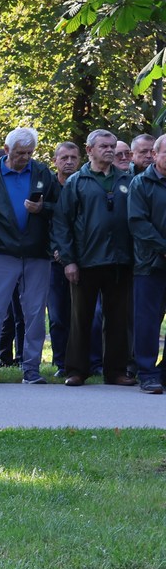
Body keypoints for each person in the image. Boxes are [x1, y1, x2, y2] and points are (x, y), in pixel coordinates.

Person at [0, 127, 57, 385]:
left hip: (36, 253)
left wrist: (42, 208)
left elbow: (59, 208)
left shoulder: (41, 173)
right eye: (19, 153)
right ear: (6, 150)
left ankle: (31, 369)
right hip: (0, 251)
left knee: (35, 313)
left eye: (29, 153)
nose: (25, 158)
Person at [51, 129, 137, 387]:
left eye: (112, 146)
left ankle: (116, 371)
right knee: (80, 319)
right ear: (89, 150)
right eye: (104, 146)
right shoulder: (77, 181)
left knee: (118, 320)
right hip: (85, 261)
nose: (110, 150)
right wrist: (69, 261)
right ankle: (76, 370)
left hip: (121, 261)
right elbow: (62, 224)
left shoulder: (128, 179)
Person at [128, 134, 166, 394]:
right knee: (148, 322)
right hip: (150, 265)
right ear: (154, 154)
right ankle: (148, 373)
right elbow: (138, 223)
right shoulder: (141, 184)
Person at [47, 141, 81, 375]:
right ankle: (60, 362)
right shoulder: (47, 186)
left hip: (81, 259)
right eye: (64, 158)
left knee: (85, 315)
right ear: (55, 161)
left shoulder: (84, 185)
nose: (69, 162)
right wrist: (55, 249)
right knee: (58, 315)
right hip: (52, 260)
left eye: (73, 158)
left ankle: (85, 360)